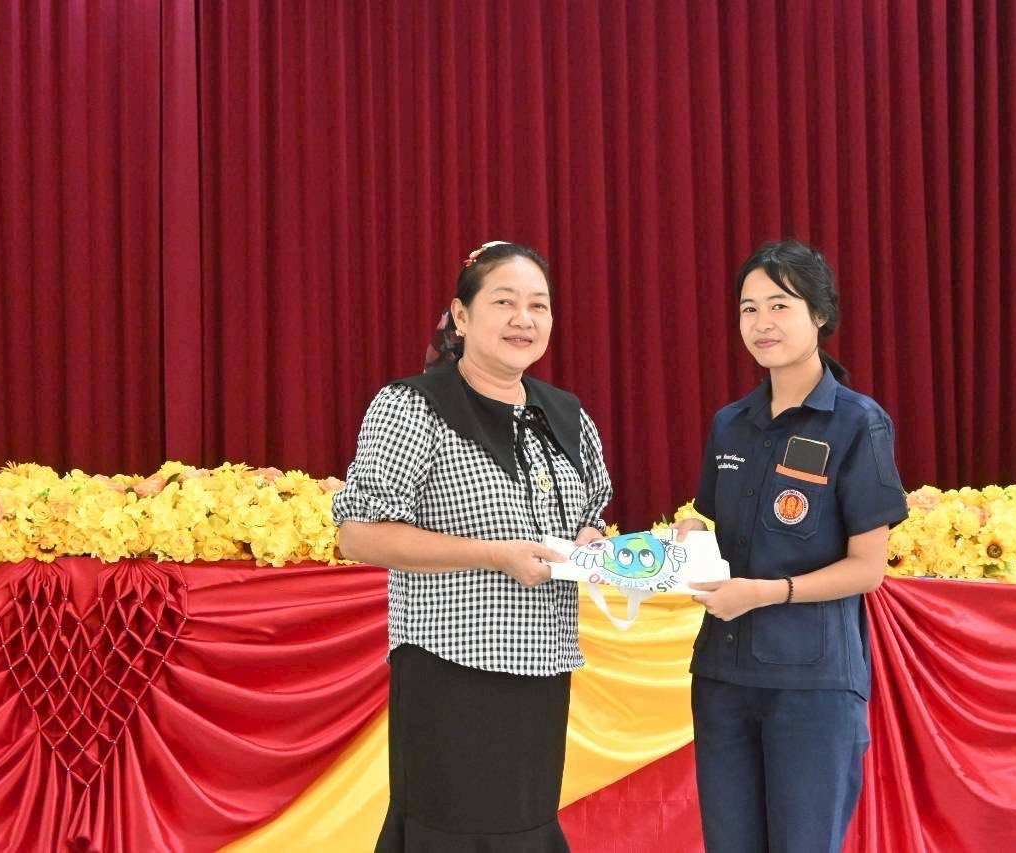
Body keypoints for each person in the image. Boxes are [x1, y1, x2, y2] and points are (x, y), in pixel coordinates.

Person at [332, 240, 612, 853]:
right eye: (504, 302)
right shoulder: (414, 406)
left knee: (523, 827)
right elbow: (358, 533)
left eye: (538, 305)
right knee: (454, 832)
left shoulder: (567, 414)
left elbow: (590, 519)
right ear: (461, 316)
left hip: (544, 669)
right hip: (450, 672)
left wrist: (591, 545)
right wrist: (493, 554)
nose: (524, 319)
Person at [672, 239, 908, 853]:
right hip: (723, 676)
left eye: (780, 305)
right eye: (749, 309)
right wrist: (692, 539)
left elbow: (868, 569)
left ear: (820, 314)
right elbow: (720, 531)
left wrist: (768, 593)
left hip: (813, 685)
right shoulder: (730, 423)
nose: (762, 323)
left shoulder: (857, 422)